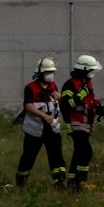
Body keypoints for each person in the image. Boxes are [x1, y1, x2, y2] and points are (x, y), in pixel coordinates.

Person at [59, 55, 104, 191]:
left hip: (85, 124)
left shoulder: (87, 83)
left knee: (79, 152)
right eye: (90, 70)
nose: (92, 73)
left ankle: (72, 181)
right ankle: (81, 182)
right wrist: (80, 95)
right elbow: (65, 105)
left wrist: (100, 109)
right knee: (86, 152)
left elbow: (89, 102)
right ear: (83, 70)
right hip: (75, 124)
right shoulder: (70, 84)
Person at [16, 56, 66, 189]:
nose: (51, 75)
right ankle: (21, 181)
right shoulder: (30, 88)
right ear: (40, 73)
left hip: (52, 128)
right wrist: (43, 115)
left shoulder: (53, 86)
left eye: (52, 72)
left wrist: (60, 97)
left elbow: (56, 104)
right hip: (35, 129)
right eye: (48, 72)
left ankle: (59, 180)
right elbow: (28, 106)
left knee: (56, 155)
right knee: (29, 156)